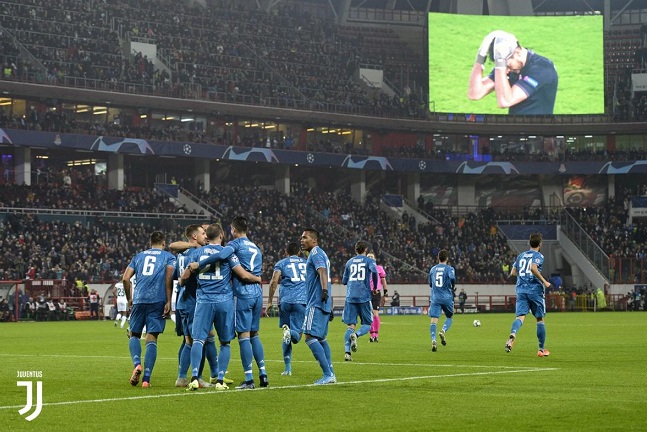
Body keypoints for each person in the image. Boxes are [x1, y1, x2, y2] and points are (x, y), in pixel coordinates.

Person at [184, 224, 261, 391]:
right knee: (225, 342)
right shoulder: (228, 253)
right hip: (224, 301)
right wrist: (257, 278)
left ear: (207, 237)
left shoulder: (196, 253)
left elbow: (186, 275)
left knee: (198, 340)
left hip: (203, 300)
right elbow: (241, 274)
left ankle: (195, 377)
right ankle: (219, 380)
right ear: (221, 235)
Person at [122, 231, 176, 388]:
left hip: (139, 299)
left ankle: (137, 363)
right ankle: (146, 379)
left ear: (150, 242)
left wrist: (129, 298)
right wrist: (168, 300)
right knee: (151, 338)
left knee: (134, 334)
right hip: (157, 300)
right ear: (163, 243)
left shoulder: (138, 257)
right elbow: (168, 277)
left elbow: (125, 278)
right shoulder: (168, 257)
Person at [468, 30, 558, 115]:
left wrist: (501, 65)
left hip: (537, 129)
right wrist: (480, 57)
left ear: (517, 52)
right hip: (514, 127)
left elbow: (505, 101)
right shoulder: (508, 66)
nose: (505, 71)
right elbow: (475, 93)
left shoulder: (542, 68)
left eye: (506, 65)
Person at [174, 224, 218, 389]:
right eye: (202, 233)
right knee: (201, 340)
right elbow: (186, 277)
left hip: (182, 302)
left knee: (189, 341)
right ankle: (197, 377)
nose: (205, 235)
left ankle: (181, 377)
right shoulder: (195, 253)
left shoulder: (181, 254)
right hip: (194, 302)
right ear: (194, 236)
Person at [505, 232, 552, 357]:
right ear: (540, 244)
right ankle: (541, 350)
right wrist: (545, 281)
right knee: (540, 319)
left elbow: (513, 273)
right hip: (535, 291)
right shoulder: (539, 256)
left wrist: (522, 275)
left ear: (529, 243)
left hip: (521, 290)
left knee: (520, 317)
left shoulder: (521, 256)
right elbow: (533, 267)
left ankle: (513, 333)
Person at [300, 228, 336, 385]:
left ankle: (327, 374)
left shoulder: (315, 253)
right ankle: (331, 373)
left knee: (309, 337)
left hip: (316, 301)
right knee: (321, 338)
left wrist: (324, 291)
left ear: (314, 240)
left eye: (305, 237)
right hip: (323, 302)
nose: (302, 240)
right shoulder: (322, 253)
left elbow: (322, 271)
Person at [265, 242, 307, 376]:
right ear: (299, 252)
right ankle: (290, 333)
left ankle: (287, 368)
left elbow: (274, 281)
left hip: (285, 302)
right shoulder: (306, 263)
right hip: (301, 301)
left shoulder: (281, 263)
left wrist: (270, 301)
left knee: (286, 334)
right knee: (296, 337)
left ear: (286, 251)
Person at [341, 241, 378, 361]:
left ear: (355, 249)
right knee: (367, 324)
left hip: (350, 296)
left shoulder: (349, 262)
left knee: (350, 325)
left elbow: (344, 281)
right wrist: (375, 287)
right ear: (366, 249)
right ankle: (356, 335)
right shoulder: (369, 261)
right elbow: (374, 272)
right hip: (364, 296)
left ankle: (347, 353)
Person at [428, 250, 456, 352]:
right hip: (447, 297)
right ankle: (443, 331)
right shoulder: (449, 269)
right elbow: (452, 278)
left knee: (434, 320)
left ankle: (434, 340)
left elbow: (430, 284)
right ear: (447, 258)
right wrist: (452, 285)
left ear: (438, 258)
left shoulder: (432, 269)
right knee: (449, 316)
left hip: (435, 298)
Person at [367, 252, 387, 342]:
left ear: (374, 258)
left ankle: (376, 334)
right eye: (368, 257)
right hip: (366, 293)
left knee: (375, 313)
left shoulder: (379, 268)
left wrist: (385, 293)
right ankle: (371, 335)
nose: (370, 258)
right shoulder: (364, 268)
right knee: (369, 314)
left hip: (376, 293)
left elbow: (383, 281)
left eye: (372, 257)